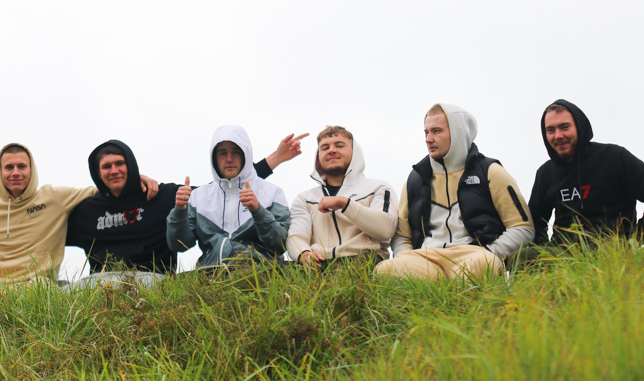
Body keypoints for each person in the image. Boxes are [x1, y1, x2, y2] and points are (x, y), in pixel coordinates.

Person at [66, 133, 306, 277]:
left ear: (131, 164)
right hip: (100, 286)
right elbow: (46, 231)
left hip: (153, 282)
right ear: (97, 173)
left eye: (120, 163)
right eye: (106, 167)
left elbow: (225, 189)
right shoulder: (86, 211)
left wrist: (274, 159)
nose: (114, 170)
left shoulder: (163, 195)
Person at [0, 143, 159, 286]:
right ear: (0, 172)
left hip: (38, 287)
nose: (15, 172)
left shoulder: (54, 198)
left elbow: (101, 187)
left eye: (22, 166)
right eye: (9, 167)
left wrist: (134, 176)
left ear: (31, 169)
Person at [376, 104, 534, 281]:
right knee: (385, 270)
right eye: (426, 132)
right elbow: (402, 236)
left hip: (474, 256)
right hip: (425, 259)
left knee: (484, 264)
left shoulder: (490, 171)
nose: (429, 139)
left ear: (458, 132)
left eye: (436, 131)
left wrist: (491, 253)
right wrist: (404, 256)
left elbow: (522, 227)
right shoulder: (415, 179)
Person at [166, 125, 290, 268]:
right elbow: (178, 244)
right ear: (214, 158)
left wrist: (258, 211)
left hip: (262, 277)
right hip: (210, 278)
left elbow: (281, 244)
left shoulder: (273, 192)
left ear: (246, 154)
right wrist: (179, 211)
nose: (229, 159)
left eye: (236, 152)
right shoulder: (198, 196)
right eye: (223, 153)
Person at [527, 99, 644, 248]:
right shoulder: (546, 173)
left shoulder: (615, 157)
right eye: (551, 130)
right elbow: (534, 224)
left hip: (610, 249)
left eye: (565, 127)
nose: (558, 135)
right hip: (562, 255)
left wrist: (634, 240)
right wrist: (544, 250)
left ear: (579, 127)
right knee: (520, 257)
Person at [287, 125, 397, 269]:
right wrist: (303, 253)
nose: (332, 150)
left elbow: (386, 229)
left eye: (339, 145)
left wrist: (345, 204)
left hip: (366, 261)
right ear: (318, 157)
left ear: (354, 152)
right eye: (325, 148)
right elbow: (297, 235)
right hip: (319, 265)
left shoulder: (378, 187)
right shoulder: (305, 198)